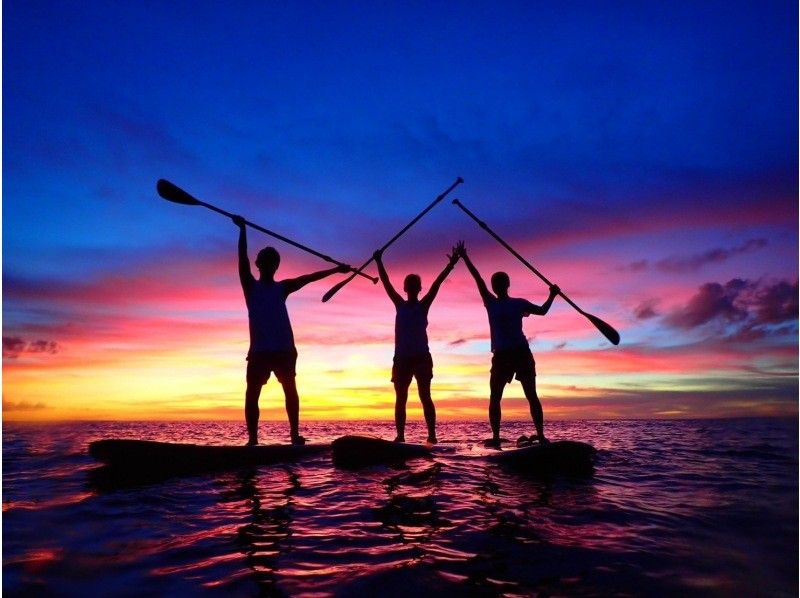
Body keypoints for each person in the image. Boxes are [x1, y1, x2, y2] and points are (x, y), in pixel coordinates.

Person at [234, 216, 349, 446]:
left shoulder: (282, 288)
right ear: (259, 264)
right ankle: (253, 440)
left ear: (275, 266)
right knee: (252, 394)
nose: (267, 264)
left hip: (284, 350)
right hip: (259, 351)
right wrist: (243, 230)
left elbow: (307, 279)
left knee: (290, 391)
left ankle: (294, 435)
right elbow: (242, 259)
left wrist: (335, 270)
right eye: (264, 261)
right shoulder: (250, 285)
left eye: (271, 261)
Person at [457, 244, 559, 447]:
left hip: (520, 353)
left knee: (530, 394)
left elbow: (541, 311)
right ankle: (496, 437)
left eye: (499, 283)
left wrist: (553, 295)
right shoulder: (491, 302)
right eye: (495, 283)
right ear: (494, 286)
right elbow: (477, 279)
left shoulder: (518, 303)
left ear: (505, 284)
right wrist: (465, 258)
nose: (497, 286)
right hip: (503, 355)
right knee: (496, 397)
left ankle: (540, 435)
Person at [373, 242, 462, 444]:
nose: (412, 288)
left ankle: (432, 435)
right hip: (402, 359)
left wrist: (451, 265)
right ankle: (401, 437)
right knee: (401, 399)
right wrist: (379, 261)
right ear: (406, 288)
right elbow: (386, 282)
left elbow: (437, 284)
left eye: (415, 286)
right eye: (409, 285)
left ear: (418, 289)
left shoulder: (423, 305)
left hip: (421, 358)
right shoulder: (399, 304)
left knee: (425, 397)